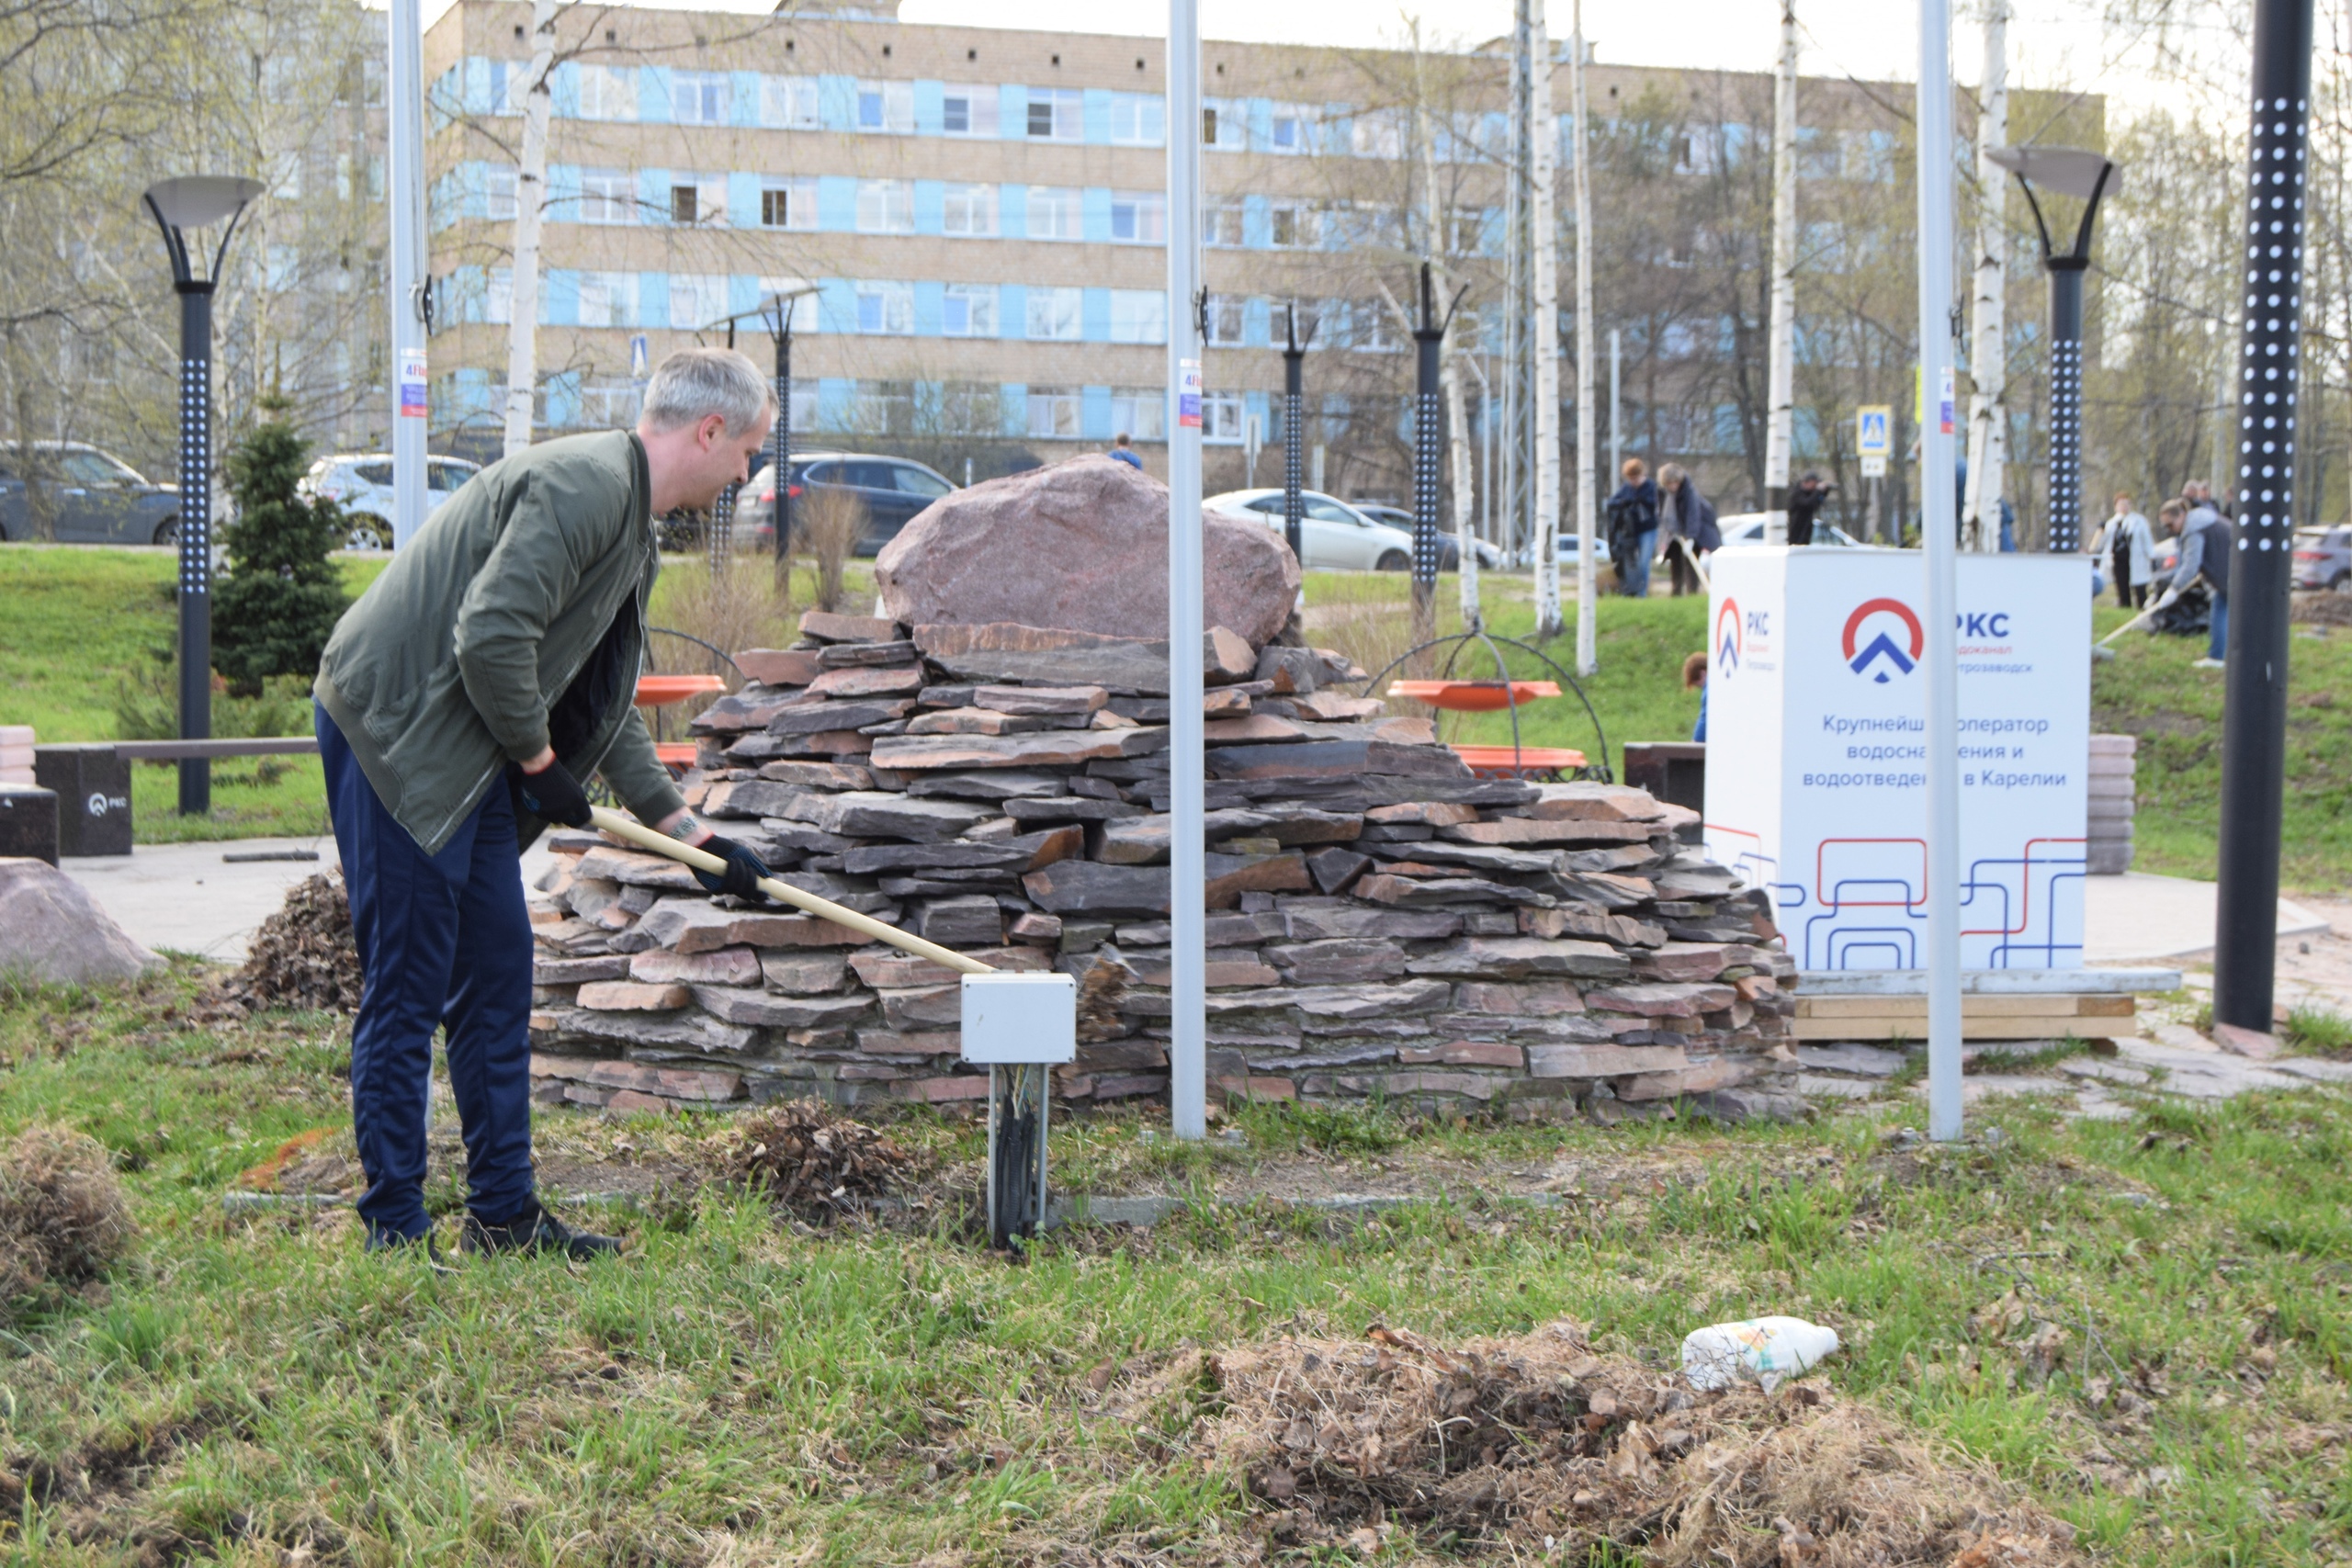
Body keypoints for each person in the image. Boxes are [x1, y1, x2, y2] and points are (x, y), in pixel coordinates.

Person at [311, 348, 780, 1262]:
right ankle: (395, 1231)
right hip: (397, 732)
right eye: (750, 449)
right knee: (407, 987)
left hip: (473, 749)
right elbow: (489, 637)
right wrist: (536, 761)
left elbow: (597, 707)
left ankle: (503, 1217)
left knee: (495, 977)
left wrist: (697, 841)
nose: (748, 471)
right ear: (710, 429)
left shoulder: (631, 526)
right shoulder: (583, 488)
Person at [2177, 483, 2233, 667]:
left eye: (2170, 524)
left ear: (2181, 515)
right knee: (2222, 606)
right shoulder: (2205, 519)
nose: (2169, 529)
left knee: (2223, 608)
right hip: (2233, 571)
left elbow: (2191, 564)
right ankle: (2220, 655)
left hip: (2234, 572)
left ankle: (2218, 657)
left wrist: (2173, 589)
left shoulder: (2194, 527)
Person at [1657, 462, 1720, 597]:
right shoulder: (1667, 495)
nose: (1673, 486)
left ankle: (1692, 593)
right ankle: (1676, 593)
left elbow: (1693, 516)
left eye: (1675, 483)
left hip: (1698, 532)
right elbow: (1665, 517)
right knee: (1675, 559)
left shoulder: (1689, 493)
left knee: (1691, 563)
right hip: (1677, 533)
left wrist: (1691, 538)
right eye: (1669, 483)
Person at [1604, 457, 1661, 597]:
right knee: (1629, 563)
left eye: (1636, 478)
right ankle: (1630, 591)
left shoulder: (1651, 487)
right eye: (1630, 478)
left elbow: (1655, 504)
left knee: (1643, 562)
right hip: (1631, 531)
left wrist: (1641, 501)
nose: (1633, 482)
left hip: (1648, 529)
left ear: (1642, 474)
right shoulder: (1627, 488)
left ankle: (1641, 594)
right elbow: (1613, 502)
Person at [1786, 471, 1832, 546]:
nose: (1815, 486)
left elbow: (1815, 503)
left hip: (1806, 529)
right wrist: (1818, 491)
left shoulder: (1810, 494)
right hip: (1796, 529)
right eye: (1814, 483)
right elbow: (1807, 503)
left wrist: (1824, 492)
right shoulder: (1797, 494)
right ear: (1807, 482)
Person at [1683, 650, 1710, 742]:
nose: (1702, 689)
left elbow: (1704, 720)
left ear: (1703, 673)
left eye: (1699, 685)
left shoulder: (1709, 691)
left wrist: (1695, 742)